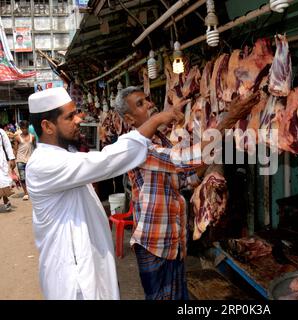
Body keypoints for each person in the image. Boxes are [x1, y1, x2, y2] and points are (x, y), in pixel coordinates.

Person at [26, 87, 184, 300]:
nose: (79, 120)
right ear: (47, 126)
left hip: (89, 267)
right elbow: (107, 160)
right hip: (72, 279)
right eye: (70, 116)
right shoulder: (44, 164)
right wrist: (156, 120)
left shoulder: (64, 156)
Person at [115, 86, 259, 300]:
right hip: (154, 243)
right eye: (140, 103)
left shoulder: (160, 140)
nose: (149, 105)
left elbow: (186, 177)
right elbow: (184, 159)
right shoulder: (137, 148)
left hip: (173, 241)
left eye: (147, 99)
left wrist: (211, 165)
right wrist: (229, 119)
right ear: (129, 119)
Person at [13, 120, 35, 200]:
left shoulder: (32, 137)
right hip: (20, 160)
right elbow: (15, 149)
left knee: (31, 177)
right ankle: (26, 193)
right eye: (23, 128)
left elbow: (35, 148)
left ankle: (32, 191)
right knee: (22, 178)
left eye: (26, 128)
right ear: (21, 128)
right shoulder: (17, 137)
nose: (25, 130)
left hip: (30, 160)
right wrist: (13, 160)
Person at [0, 127, 15, 212]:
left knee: (4, 182)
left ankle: (5, 199)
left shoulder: (1, 132)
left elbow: (7, 145)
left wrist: (12, 158)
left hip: (1, 161)